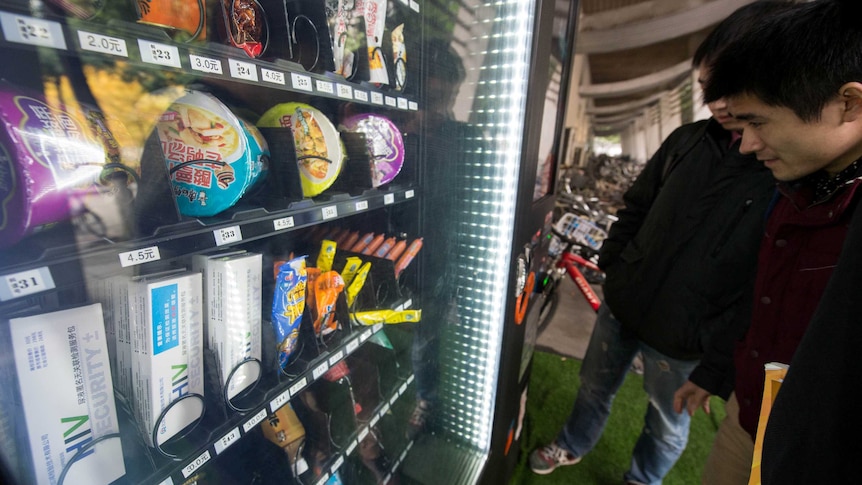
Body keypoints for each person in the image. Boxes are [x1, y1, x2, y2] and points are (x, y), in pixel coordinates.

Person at [527, 3, 790, 483]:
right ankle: (572, 443)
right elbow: (636, 206)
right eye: (708, 89)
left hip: (689, 338)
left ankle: (641, 479)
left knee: (668, 422)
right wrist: (616, 263)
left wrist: (716, 364)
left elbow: (766, 285)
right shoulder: (687, 140)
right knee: (592, 386)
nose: (717, 103)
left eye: (728, 87)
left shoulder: (783, 169)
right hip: (626, 302)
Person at [672, 0, 862, 483]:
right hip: (751, 411)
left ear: (848, 103)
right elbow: (762, 300)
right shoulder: (798, 187)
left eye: (758, 122)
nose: (747, 143)